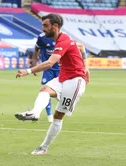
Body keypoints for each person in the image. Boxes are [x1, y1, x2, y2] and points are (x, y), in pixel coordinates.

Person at [15, 13, 90, 155]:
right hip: (63, 78)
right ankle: (34, 113)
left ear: (55, 26)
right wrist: (86, 65)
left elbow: (50, 63)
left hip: (75, 82)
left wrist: (28, 71)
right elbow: (81, 47)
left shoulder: (63, 41)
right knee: (44, 90)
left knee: (57, 117)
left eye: (45, 25)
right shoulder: (61, 39)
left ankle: (43, 148)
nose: (43, 28)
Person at [31, 32, 60, 123]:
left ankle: (60, 112)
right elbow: (36, 49)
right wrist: (35, 63)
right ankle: (50, 115)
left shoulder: (62, 37)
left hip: (61, 69)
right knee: (45, 91)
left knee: (62, 93)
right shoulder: (42, 37)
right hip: (48, 70)